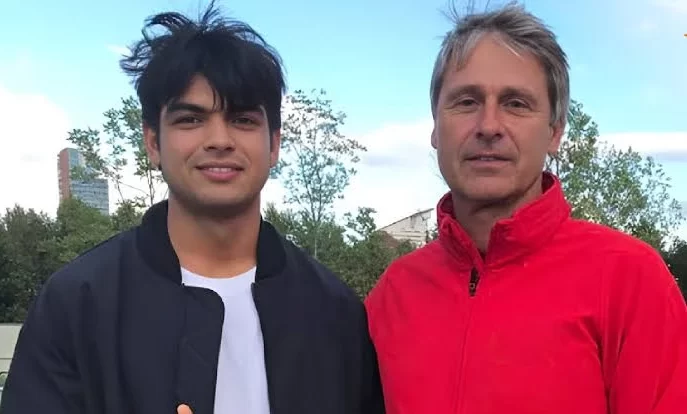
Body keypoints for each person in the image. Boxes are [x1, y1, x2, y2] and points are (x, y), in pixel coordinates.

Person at [0, 4, 384, 414]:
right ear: (153, 142)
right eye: (190, 120)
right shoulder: (77, 304)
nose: (219, 139)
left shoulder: (334, 312)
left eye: (242, 120)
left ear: (274, 144)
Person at [365, 3, 687, 414]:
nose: (488, 126)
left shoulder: (629, 281)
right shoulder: (393, 295)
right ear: (434, 129)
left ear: (555, 133)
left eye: (516, 103)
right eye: (466, 101)